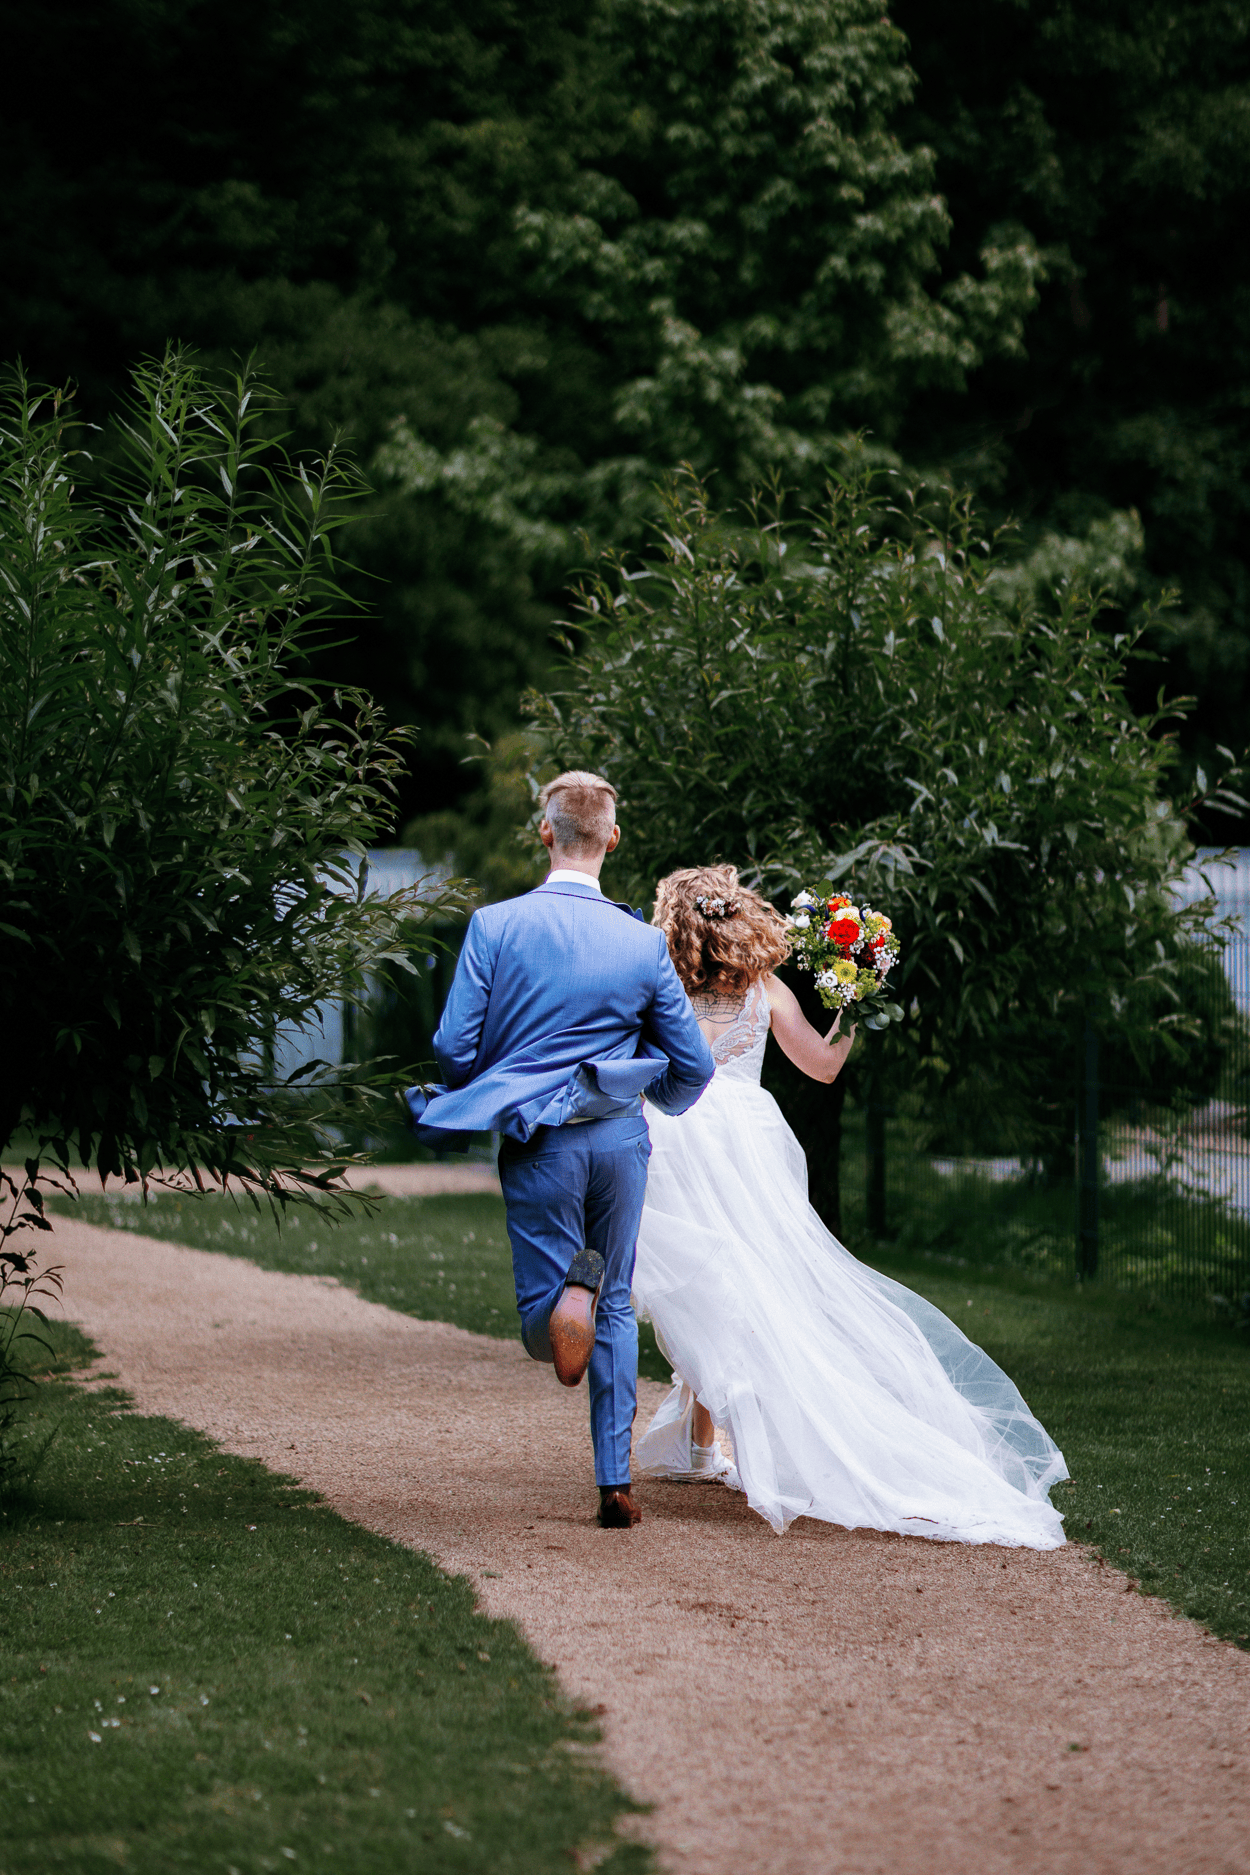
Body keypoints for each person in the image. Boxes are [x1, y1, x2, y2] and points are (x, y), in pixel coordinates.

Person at [631, 864, 1068, 1548]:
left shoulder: (659, 988)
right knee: (748, 1282)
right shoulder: (765, 988)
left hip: (673, 1137)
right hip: (746, 1143)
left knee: (702, 1286)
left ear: (676, 924)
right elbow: (824, 1065)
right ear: (738, 916)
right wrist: (852, 1000)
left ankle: (703, 1438)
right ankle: (704, 1439)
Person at [408, 773, 715, 1529]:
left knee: (543, 1327)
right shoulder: (643, 942)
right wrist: (652, 1100)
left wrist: (496, 1079)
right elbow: (695, 1066)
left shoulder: (494, 926)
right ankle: (615, 1483)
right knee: (614, 1304)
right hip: (618, 1139)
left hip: (538, 1139)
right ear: (612, 838)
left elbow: (452, 1047)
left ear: (544, 833)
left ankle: (561, 1303)